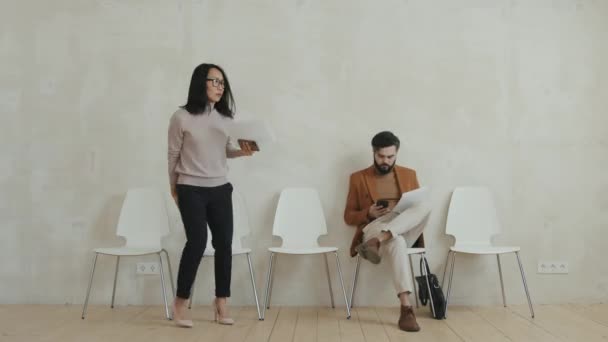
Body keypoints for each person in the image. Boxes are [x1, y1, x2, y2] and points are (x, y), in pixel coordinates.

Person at [167, 63, 254, 328]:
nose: (220, 87)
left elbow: (225, 149)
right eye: (214, 81)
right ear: (200, 82)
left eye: (222, 83)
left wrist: (244, 151)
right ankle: (181, 302)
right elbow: (172, 154)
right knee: (196, 241)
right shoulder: (180, 117)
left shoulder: (225, 118)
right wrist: (173, 186)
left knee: (224, 244)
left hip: (219, 188)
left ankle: (221, 301)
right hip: (190, 187)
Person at [344, 131, 430, 332]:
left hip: (402, 225)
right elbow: (348, 216)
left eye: (390, 157)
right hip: (375, 226)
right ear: (374, 153)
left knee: (426, 203)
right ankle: (406, 308)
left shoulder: (410, 174)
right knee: (397, 241)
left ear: (396, 153)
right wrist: (369, 212)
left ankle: (382, 238)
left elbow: (417, 208)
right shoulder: (358, 178)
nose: (385, 161)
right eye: (381, 156)